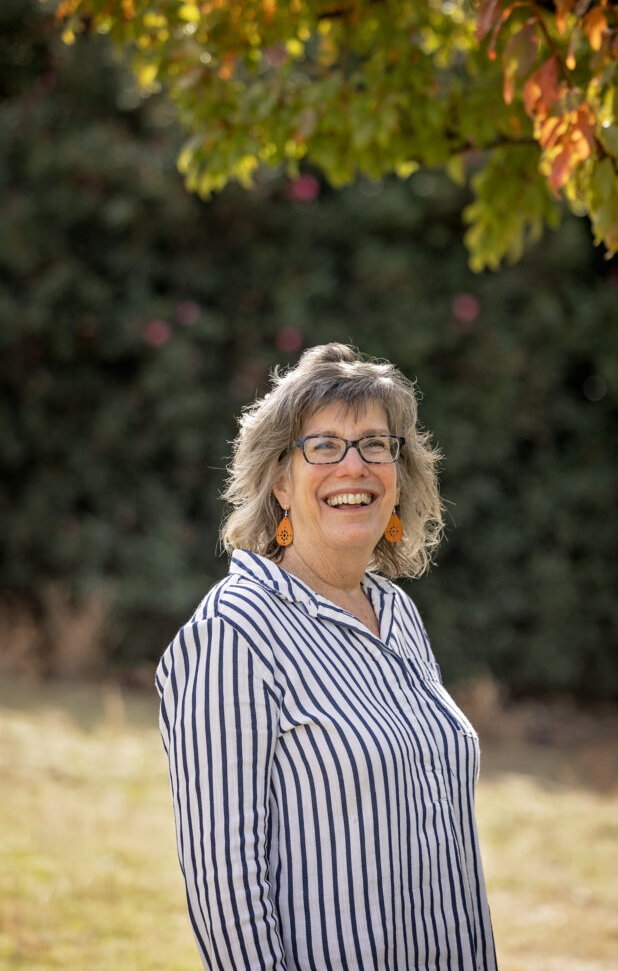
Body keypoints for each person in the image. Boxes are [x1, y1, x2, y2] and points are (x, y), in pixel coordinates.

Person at [156, 342, 498, 971]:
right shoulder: (235, 634)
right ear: (280, 481)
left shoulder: (396, 614)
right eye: (323, 446)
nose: (355, 467)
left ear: (400, 474)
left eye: (376, 444)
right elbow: (224, 882)